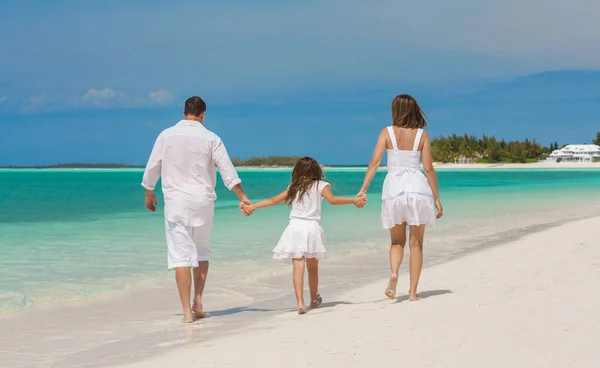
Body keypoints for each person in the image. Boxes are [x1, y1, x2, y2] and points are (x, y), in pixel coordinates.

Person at [141, 96, 251, 323]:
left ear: (184, 113)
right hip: (203, 202)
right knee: (201, 251)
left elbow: (153, 166)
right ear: (203, 115)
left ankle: (186, 314)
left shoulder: (166, 135)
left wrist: (149, 192)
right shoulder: (211, 138)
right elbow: (227, 170)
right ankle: (198, 302)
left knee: (181, 256)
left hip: (176, 203)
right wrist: (242, 197)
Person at [241, 157, 366, 314]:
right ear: (316, 170)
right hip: (312, 228)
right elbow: (333, 200)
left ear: (297, 171)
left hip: (295, 227)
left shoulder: (294, 186)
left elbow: (274, 200)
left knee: (297, 266)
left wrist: (252, 207)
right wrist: (354, 200)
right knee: (312, 267)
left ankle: (300, 303)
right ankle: (313, 300)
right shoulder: (321, 185)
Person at [356, 94, 443, 301]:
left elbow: (374, 162)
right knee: (416, 244)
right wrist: (437, 198)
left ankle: (394, 273)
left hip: (394, 189)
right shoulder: (422, 135)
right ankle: (413, 293)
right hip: (417, 189)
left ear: (395, 111)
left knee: (396, 242)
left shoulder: (386, 132)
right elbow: (428, 168)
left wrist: (363, 189)